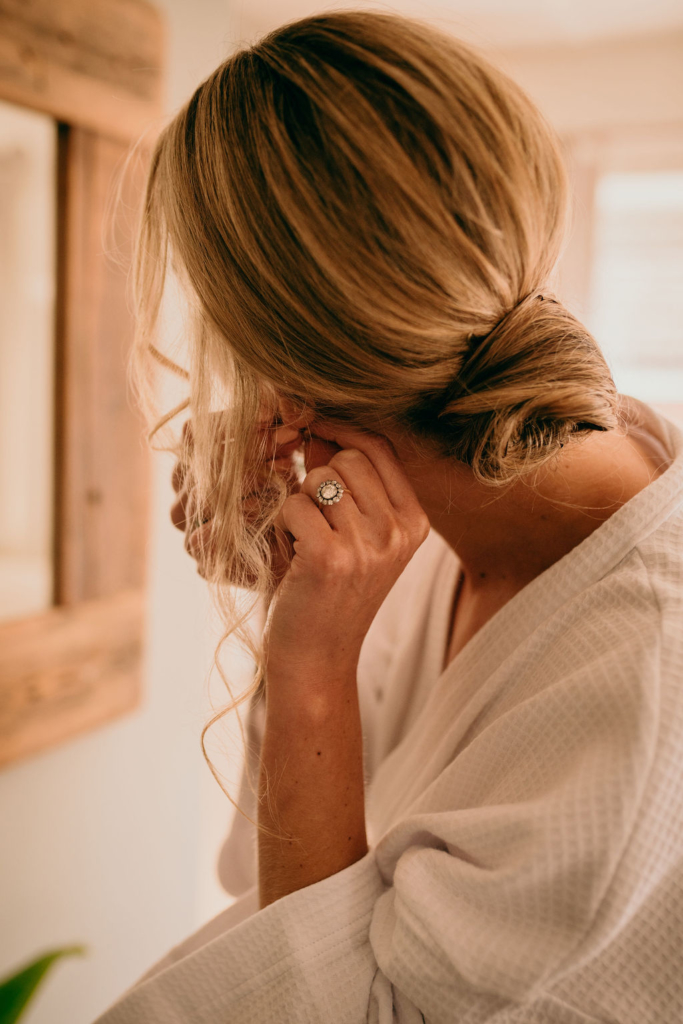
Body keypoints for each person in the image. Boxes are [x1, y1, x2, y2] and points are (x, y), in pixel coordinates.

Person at [94, 10, 683, 1023]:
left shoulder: (639, 685)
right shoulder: (427, 514)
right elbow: (266, 871)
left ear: (282, 368)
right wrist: (296, 578)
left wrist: (309, 669)